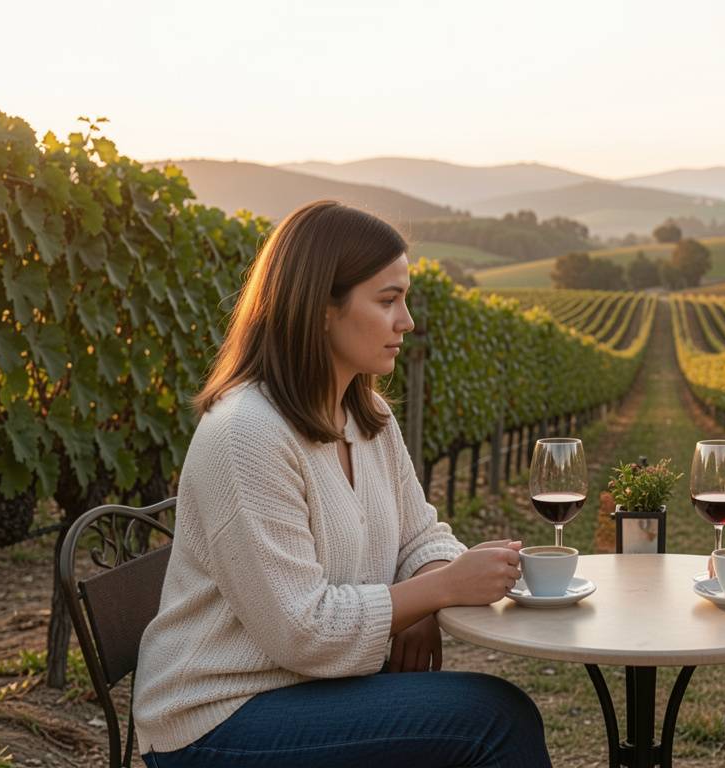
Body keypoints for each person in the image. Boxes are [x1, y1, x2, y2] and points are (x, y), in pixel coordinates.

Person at [134, 201, 551, 767]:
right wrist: (441, 590)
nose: (406, 321)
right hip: (218, 716)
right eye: (387, 301)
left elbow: (420, 537)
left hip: (311, 692)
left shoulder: (367, 417)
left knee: (495, 713)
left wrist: (426, 593)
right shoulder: (247, 435)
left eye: (404, 299)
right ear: (321, 309)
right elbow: (301, 631)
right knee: (495, 719)